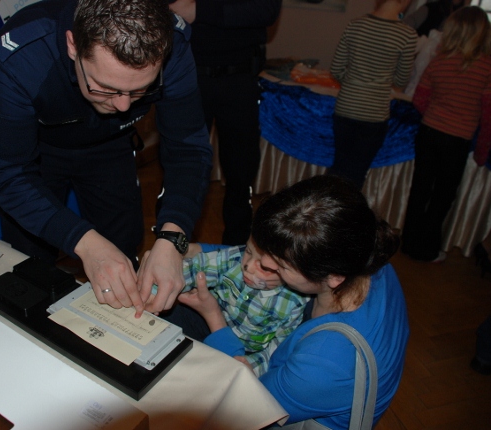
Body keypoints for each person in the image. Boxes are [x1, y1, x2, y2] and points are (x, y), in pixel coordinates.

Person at [0, 0, 213, 317]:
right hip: (38, 154)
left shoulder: (174, 41)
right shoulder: (23, 53)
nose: (123, 106)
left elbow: (189, 149)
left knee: (122, 251)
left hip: (112, 146)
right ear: (73, 45)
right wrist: (84, 243)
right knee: (30, 268)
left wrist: (173, 238)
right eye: (106, 88)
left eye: (140, 90)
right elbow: (8, 174)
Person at [181, 175, 409, 428]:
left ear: (333, 277)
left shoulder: (321, 365)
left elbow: (246, 400)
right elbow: (267, 251)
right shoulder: (362, 254)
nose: (263, 265)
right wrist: (194, 249)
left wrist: (214, 316)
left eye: (278, 266)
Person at [168, 0, 282, 245]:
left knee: (241, 169)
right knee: (182, 166)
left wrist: (200, 10)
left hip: (239, 78)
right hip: (188, 74)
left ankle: (238, 250)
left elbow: (266, 10)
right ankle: (172, 244)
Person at [401, 6, 491, 263]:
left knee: (420, 190)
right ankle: (428, 249)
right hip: (457, 140)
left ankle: (409, 243)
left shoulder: (439, 60)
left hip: (429, 133)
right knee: (442, 196)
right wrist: (482, 150)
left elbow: (419, 99)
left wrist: (437, 113)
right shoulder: (486, 67)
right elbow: (488, 115)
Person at [151, 236, 308, 376]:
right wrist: (156, 291)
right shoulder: (234, 257)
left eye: (264, 267)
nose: (247, 266)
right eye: (248, 251)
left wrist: (252, 365)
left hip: (246, 351)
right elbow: (196, 267)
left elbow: (277, 350)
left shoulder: (294, 303)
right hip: (205, 321)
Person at [328, 0, 417, 190]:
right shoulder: (407, 35)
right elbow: (401, 80)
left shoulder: (356, 24)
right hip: (374, 113)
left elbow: (336, 69)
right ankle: (345, 208)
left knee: (338, 167)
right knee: (356, 174)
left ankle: (325, 205)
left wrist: (353, 84)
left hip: (346, 106)